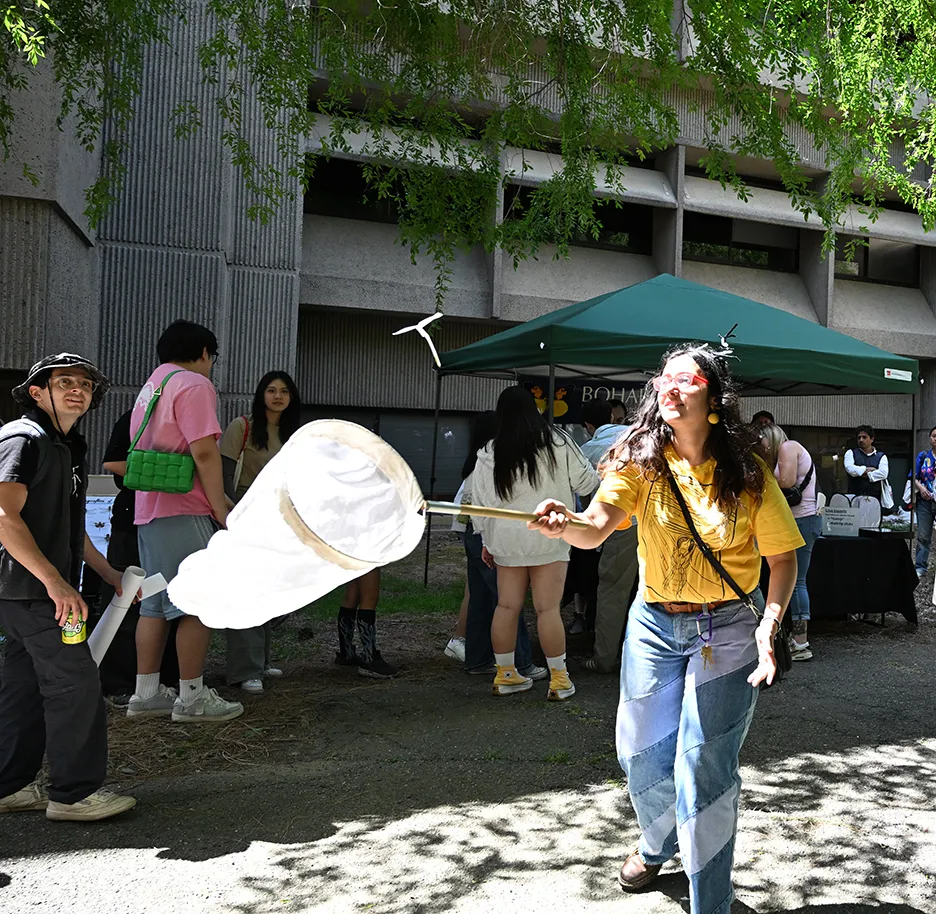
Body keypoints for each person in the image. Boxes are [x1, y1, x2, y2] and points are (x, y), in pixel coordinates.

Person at [528, 342, 802, 914]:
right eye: (664, 379)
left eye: (686, 379)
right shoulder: (639, 459)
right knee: (641, 757)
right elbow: (595, 527)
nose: (670, 386)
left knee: (705, 770)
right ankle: (656, 845)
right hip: (654, 625)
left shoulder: (748, 473)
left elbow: (781, 561)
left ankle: (711, 902)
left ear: (715, 399)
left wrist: (769, 625)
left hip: (728, 629)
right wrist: (566, 524)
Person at [0, 354, 136, 821]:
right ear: (38, 392)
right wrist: (57, 584)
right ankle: (73, 794)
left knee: (22, 686)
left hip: (31, 592)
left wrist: (109, 574)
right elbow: (3, 517)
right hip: (33, 590)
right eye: (63, 383)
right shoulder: (24, 438)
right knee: (76, 683)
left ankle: (9, 787)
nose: (77, 390)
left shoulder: (67, 446)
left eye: (84, 384)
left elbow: (69, 531)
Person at [126, 320, 243, 723]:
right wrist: (220, 507)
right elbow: (205, 453)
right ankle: (192, 698)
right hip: (184, 508)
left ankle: (145, 694)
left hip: (150, 507)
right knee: (195, 602)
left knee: (155, 605)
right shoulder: (193, 384)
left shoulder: (153, 384)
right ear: (205, 353)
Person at [472, 387, 599, 700]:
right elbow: (588, 482)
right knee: (547, 610)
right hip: (551, 534)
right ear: (535, 409)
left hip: (505, 539)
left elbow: (479, 501)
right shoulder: (557, 440)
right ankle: (559, 679)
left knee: (506, 607)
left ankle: (506, 675)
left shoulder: (490, 450)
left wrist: (486, 540)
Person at [219, 371, 301, 693]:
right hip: (243, 512)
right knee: (245, 591)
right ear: (261, 394)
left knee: (269, 591)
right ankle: (245, 670)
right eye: (271, 390)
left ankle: (261, 662)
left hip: (278, 517)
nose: (277, 396)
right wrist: (229, 516)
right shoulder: (242, 427)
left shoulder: (293, 433)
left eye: (283, 391)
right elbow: (223, 475)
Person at [97, 409, 179, 699]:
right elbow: (112, 461)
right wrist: (163, 472)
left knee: (168, 601)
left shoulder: (190, 422)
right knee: (125, 600)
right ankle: (117, 682)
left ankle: (167, 677)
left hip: (172, 521)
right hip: (130, 521)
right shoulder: (135, 417)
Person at [457, 410, 543, 678]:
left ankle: (478, 658)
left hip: (470, 531)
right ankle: (521, 662)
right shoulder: (489, 460)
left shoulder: (474, 461)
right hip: (486, 533)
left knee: (482, 599)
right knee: (508, 601)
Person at [579, 398, 638, 674]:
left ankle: (604, 657)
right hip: (655, 521)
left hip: (617, 525)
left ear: (589, 425)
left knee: (613, 590)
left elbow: (581, 493)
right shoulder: (637, 438)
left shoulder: (589, 449)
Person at [759, 423, 820, 661]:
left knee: (797, 581)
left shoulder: (788, 447)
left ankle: (801, 643)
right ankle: (794, 639)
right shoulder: (782, 453)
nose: (759, 447)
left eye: (762, 442)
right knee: (794, 580)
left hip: (803, 520)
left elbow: (785, 482)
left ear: (771, 439)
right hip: (797, 520)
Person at [335, 568, 398, 678]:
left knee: (352, 594)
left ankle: (346, 653)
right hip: (366, 552)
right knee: (370, 597)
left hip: (351, 552)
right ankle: (369, 659)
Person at [912, 426, 936, 578]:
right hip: (925, 502)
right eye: (934, 435)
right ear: (929, 438)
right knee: (923, 535)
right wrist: (921, 488)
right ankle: (920, 566)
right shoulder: (923, 456)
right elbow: (914, 476)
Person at [844, 425, 889, 499]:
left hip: (875, 499)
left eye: (864, 437)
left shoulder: (881, 456)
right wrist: (871, 470)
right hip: (855, 497)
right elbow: (850, 469)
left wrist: (862, 474)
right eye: (859, 438)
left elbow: (883, 474)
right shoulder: (850, 453)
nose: (861, 440)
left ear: (872, 439)